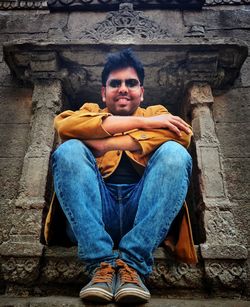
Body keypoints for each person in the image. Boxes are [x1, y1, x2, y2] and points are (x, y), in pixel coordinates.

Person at [44, 48, 197, 304]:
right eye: (115, 83)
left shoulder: (155, 110)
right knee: (69, 150)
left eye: (131, 83)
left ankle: (133, 266)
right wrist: (147, 125)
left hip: (144, 216)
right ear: (104, 92)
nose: (123, 88)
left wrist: (106, 144)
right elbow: (64, 126)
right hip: (94, 216)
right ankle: (101, 265)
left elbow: (183, 135)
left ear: (142, 92)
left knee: (174, 152)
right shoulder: (91, 110)